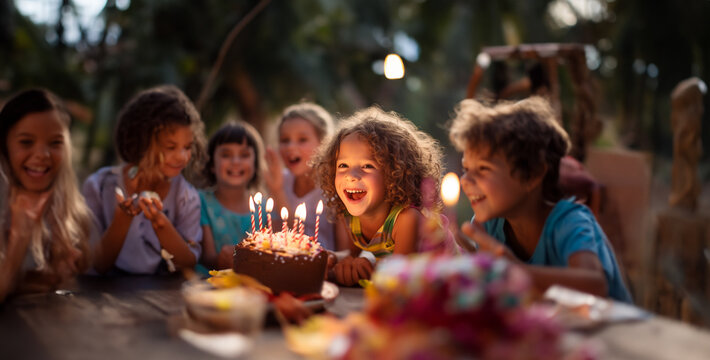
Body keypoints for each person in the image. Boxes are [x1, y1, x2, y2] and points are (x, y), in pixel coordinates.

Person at [449, 97, 631, 302]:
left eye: (483, 168)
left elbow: (595, 285)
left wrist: (516, 269)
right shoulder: (487, 226)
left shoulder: (570, 222)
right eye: (466, 169)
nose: (465, 180)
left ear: (533, 175)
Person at [312, 106, 446, 286]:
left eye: (367, 166)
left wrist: (362, 269)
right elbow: (349, 258)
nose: (352, 175)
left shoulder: (406, 219)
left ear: (395, 174)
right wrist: (332, 259)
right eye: (343, 165)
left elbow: (401, 280)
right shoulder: (347, 216)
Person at [82, 85, 206, 275]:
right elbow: (95, 263)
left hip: (161, 299)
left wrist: (160, 223)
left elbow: (187, 262)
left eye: (187, 147)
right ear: (142, 141)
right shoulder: (99, 187)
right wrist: (123, 220)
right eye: (171, 147)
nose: (182, 157)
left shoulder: (186, 197)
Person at [0, 89, 92, 302]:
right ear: (4, 145)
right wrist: (20, 237)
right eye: (26, 142)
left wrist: (55, 275)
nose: (42, 155)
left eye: (55, 143)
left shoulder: (63, 199)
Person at [265, 102, 348, 251]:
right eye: (285, 140)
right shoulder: (279, 180)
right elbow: (282, 241)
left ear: (324, 143)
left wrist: (278, 192)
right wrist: (276, 190)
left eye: (302, 139)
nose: (290, 146)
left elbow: (346, 253)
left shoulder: (337, 187)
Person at [197, 121, 267, 274]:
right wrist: (221, 260)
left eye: (244, 155)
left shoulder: (264, 208)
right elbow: (206, 257)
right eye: (226, 155)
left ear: (255, 164)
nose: (236, 162)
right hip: (208, 287)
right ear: (211, 164)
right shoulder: (201, 202)